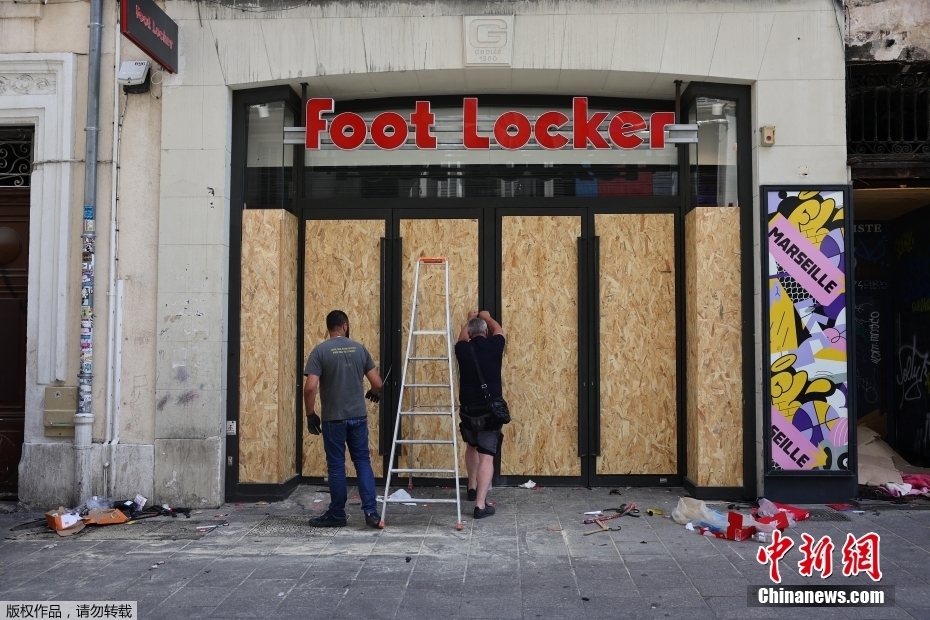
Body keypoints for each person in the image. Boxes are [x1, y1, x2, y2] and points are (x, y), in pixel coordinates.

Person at [304, 310, 383, 528]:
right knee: (363, 462)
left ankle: (337, 514)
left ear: (328, 327)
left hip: (334, 418)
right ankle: (371, 513)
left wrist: (310, 415)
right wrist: (374, 393)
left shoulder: (320, 351)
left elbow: (310, 387)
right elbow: (377, 383)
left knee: (337, 466)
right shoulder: (360, 349)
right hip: (358, 416)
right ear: (345, 326)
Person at [454, 310, 506, 519]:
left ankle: (472, 486)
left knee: (471, 446)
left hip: (468, 411)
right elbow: (499, 331)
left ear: (470, 332)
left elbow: (461, 337)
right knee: (487, 457)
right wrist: (486, 316)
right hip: (488, 412)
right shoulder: (495, 346)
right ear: (485, 333)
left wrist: (470, 320)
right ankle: (480, 505)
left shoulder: (462, 349)